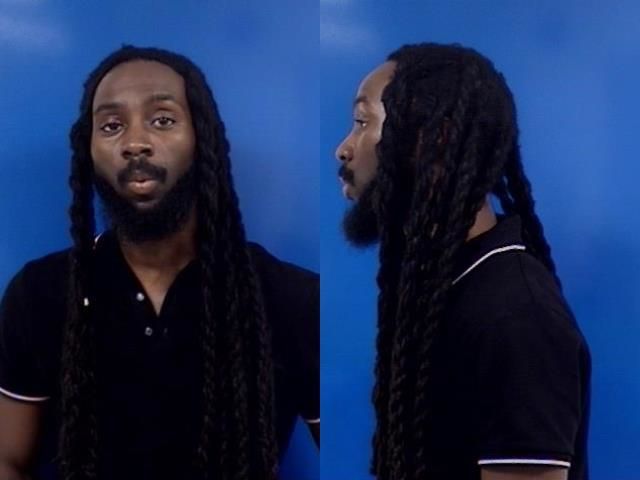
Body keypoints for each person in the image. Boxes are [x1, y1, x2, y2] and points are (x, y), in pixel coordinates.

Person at [0, 45, 319, 480]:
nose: (135, 143)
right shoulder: (41, 293)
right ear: (88, 150)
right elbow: (7, 458)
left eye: (163, 120)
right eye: (111, 126)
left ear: (202, 138)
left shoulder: (292, 299)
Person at [335, 43, 590, 480]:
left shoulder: (517, 318)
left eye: (362, 122)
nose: (343, 149)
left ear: (436, 141)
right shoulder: (447, 287)